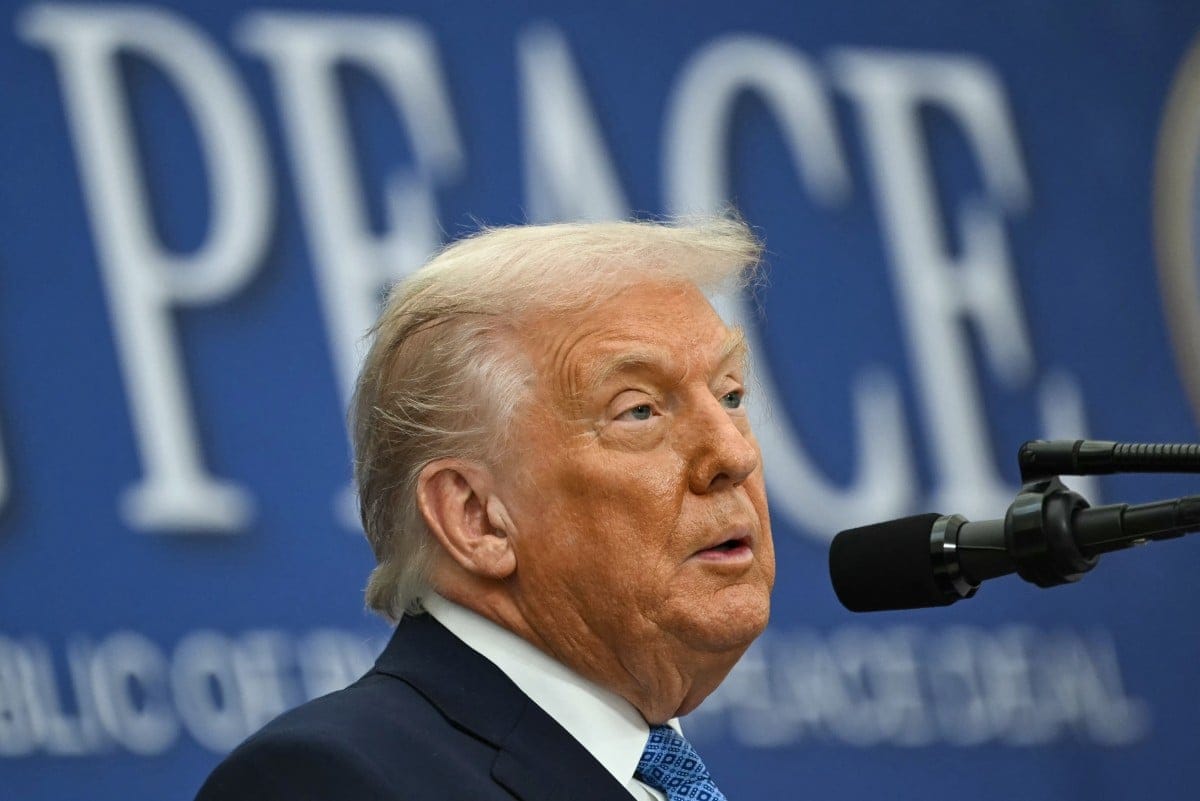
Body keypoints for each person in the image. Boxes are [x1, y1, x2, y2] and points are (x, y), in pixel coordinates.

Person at [195, 217, 776, 801]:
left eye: (730, 395)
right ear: (476, 518)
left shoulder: (649, 775)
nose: (733, 452)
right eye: (640, 410)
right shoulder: (328, 783)